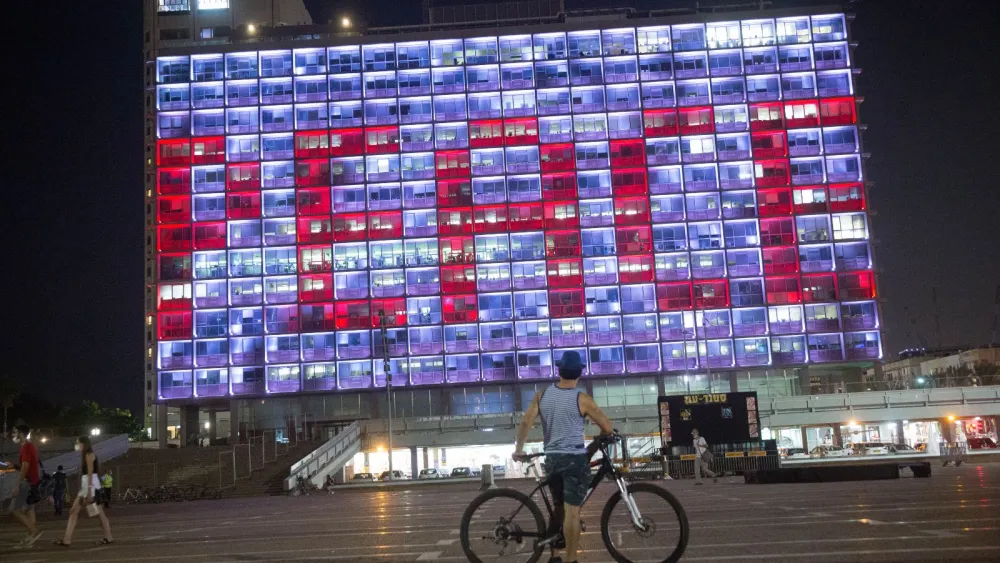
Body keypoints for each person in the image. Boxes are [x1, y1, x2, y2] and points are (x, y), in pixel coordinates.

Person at [513, 351, 614, 563]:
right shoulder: (582, 399)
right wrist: (603, 437)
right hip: (575, 459)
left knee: (558, 506)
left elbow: (525, 423)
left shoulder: (542, 395)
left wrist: (519, 449)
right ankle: (570, 559)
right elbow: (607, 427)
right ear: (579, 373)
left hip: (553, 459)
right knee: (572, 512)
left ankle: (554, 554)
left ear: (559, 371)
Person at [54, 436, 113, 547]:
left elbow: (90, 472)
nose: (77, 445)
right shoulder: (86, 455)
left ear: (83, 444)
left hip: (91, 485)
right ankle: (67, 539)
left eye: (78, 443)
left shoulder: (89, 455)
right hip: (86, 485)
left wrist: (90, 491)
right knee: (74, 511)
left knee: (99, 513)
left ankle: (108, 536)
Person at [10, 424, 43, 548]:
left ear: (21, 434)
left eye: (15, 432)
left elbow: (26, 466)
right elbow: (27, 465)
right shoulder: (31, 446)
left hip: (27, 482)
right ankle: (30, 536)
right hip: (33, 481)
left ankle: (34, 530)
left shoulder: (25, 447)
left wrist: (17, 485)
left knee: (14, 509)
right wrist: (14, 466)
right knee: (30, 509)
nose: (13, 435)